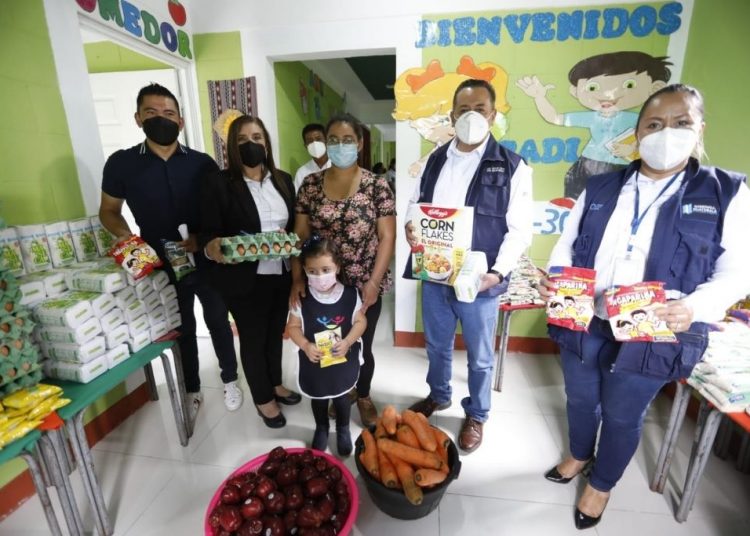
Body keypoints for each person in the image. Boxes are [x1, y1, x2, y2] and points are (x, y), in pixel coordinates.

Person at [538, 84, 750, 530]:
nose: (666, 132)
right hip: (587, 317)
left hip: (654, 330)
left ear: (700, 129)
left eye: (681, 122)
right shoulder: (601, 185)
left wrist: (695, 306)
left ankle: (602, 484)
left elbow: (738, 271)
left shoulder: (726, 191)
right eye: (654, 124)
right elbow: (566, 244)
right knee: (580, 397)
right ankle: (579, 455)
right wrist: (557, 276)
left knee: (622, 412)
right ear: (637, 133)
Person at [404, 78, 534, 453]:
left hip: (480, 281)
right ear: (452, 116)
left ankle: (477, 413)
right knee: (436, 345)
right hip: (435, 275)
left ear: (493, 115)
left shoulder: (512, 166)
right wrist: (412, 226)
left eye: (480, 109)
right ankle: (439, 394)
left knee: (479, 356)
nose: (471, 116)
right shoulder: (435, 160)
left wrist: (497, 273)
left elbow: (520, 231)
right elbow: (415, 205)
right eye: (464, 110)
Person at [99, 83, 240, 421]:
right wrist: (127, 238)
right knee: (181, 327)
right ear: (138, 118)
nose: (160, 119)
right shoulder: (121, 163)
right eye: (151, 113)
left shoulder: (202, 163)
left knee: (218, 320)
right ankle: (191, 388)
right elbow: (108, 210)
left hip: (205, 257)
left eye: (168, 113)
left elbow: (220, 211)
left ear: (180, 121)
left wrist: (203, 238)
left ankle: (231, 380)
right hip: (159, 262)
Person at [291, 113, 396, 428]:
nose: (340, 145)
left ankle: (362, 395)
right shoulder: (310, 185)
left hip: (364, 283)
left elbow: (387, 236)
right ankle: (339, 390)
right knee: (327, 340)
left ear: (359, 143)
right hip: (321, 284)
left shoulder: (377, 185)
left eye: (347, 139)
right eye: (333, 140)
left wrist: (374, 283)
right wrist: (296, 278)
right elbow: (299, 236)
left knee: (360, 342)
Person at [201, 114, 301, 428]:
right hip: (244, 278)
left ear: (266, 142)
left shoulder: (283, 180)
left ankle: (275, 384)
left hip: (281, 272)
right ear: (232, 146)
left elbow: (295, 225)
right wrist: (212, 246)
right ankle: (263, 398)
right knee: (253, 337)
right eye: (242, 139)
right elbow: (207, 232)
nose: (251, 144)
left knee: (275, 333)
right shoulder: (219, 183)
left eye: (257, 137)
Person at [517, 51, 672, 199]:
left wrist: (633, 150)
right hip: (587, 165)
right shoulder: (592, 117)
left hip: (621, 168)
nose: (608, 94)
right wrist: (539, 97)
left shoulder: (639, 119)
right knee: (575, 200)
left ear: (655, 88)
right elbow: (555, 118)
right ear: (575, 91)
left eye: (629, 84)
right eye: (592, 87)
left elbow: (654, 144)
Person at [287, 236, 367, 455]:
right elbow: (293, 327)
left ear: (337, 267)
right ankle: (321, 427)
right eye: (312, 271)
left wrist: (348, 341)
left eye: (325, 270)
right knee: (319, 398)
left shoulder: (350, 295)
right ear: (304, 269)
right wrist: (305, 345)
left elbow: (361, 322)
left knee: (341, 397)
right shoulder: (300, 298)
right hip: (314, 361)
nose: (320, 276)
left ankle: (343, 428)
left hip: (342, 359)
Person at [293, 123, 331, 192]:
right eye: (310, 141)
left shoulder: (339, 167)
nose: (315, 144)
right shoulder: (302, 173)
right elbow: (297, 197)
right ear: (306, 146)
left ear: (326, 141)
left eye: (318, 139)